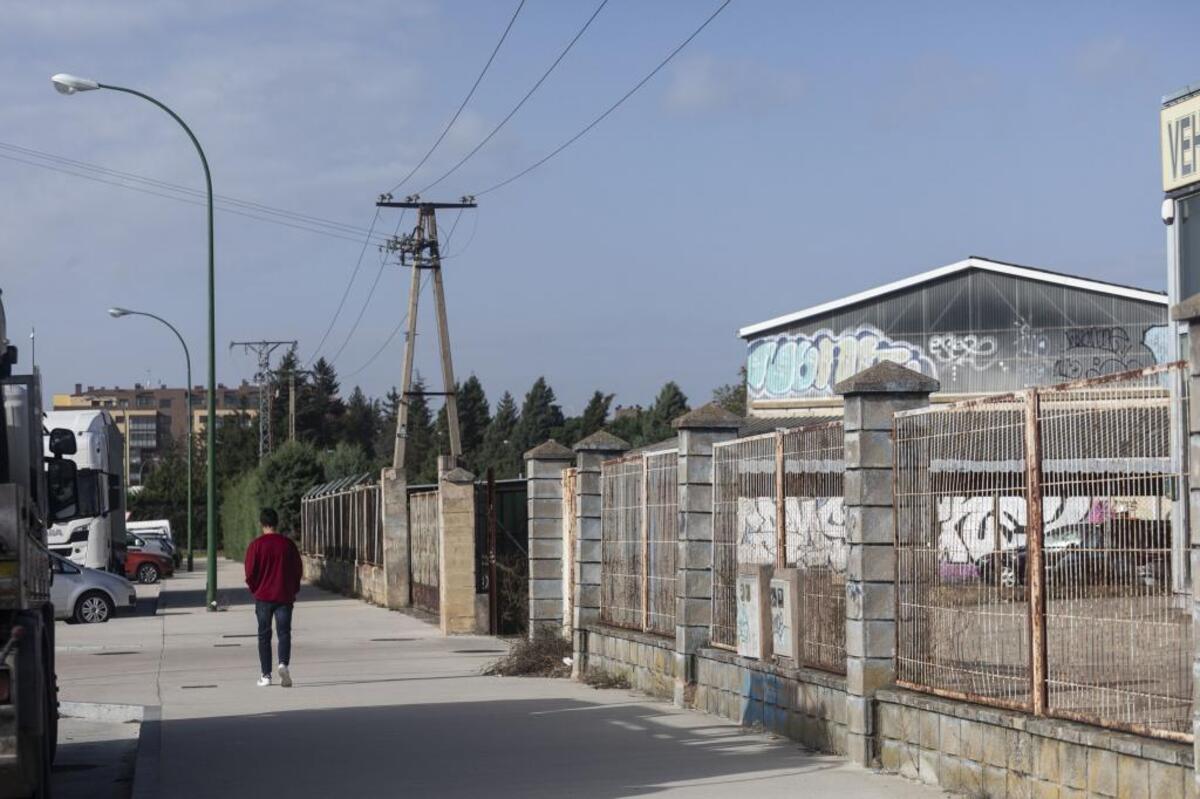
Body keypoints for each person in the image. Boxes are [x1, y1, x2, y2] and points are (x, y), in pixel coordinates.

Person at [244, 507, 302, 687]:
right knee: (284, 633)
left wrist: (256, 589)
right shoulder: (288, 545)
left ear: (261, 524)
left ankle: (266, 675)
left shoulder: (256, 546)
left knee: (264, 635)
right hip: (284, 596)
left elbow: (250, 572)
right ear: (277, 523)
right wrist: (292, 589)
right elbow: (297, 570)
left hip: (263, 597)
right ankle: (283, 663)